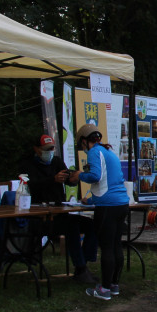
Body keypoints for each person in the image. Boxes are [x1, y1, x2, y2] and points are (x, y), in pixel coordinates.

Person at [19, 133, 97, 284]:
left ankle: (84, 264)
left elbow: (69, 181)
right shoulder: (27, 165)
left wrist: (73, 178)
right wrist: (52, 180)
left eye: (52, 148)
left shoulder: (56, 162)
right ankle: (81, 269)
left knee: (92, 224)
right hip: (39, 218)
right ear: (36, 149)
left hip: (60, 213)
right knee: (72, 226)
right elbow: (30, 186)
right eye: (46, 149)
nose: (49, 152)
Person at [75, 124, 129, 301]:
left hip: (107, 207)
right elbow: (110, 183)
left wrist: (79, 175)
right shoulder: (109, 153)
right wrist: (90, 200)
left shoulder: (94, 152)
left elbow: (95, 176)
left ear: (84, 141)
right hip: (121, 203)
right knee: (116, 245)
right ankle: (114, 285)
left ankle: (104, 289)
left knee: (106, 247)